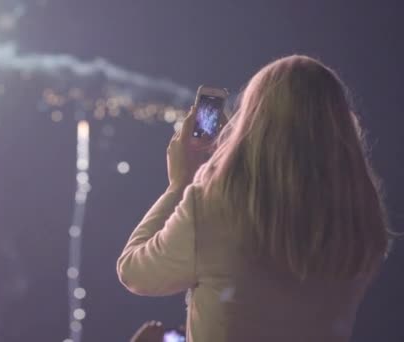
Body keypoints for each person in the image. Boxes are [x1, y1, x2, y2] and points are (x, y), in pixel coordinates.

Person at [116, 55, 398, 342]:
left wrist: (179, 185)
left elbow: (135, 272)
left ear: (253, 123)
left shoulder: (214, 208)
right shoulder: (361, 224)